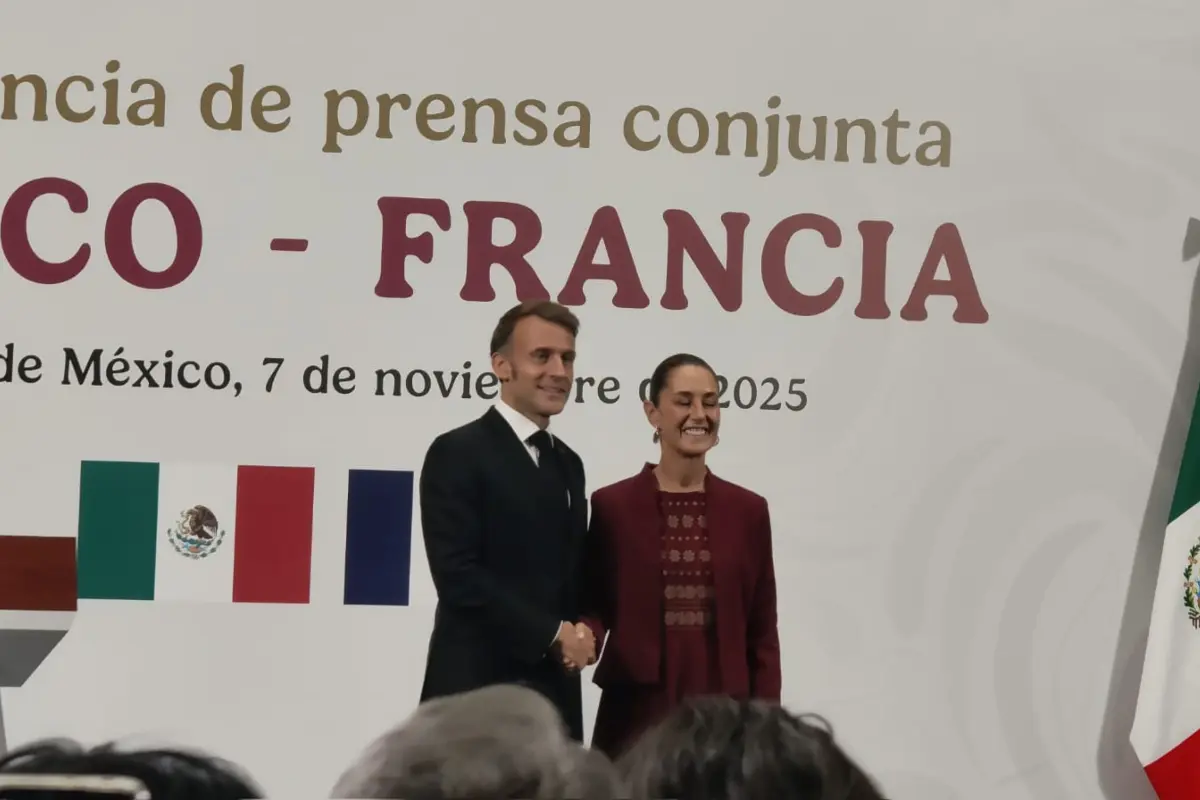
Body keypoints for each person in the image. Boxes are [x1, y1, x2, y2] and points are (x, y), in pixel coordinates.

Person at [576, 352, 782, 757]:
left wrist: (767, 725)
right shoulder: (611, 505)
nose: (700, 413)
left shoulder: (749, 510)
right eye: (684, 401)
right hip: (635, 713)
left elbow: (762, 631)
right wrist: (583, 636)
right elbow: (593, 604)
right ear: (652, 413)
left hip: (726, 717)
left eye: (710, 401)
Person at [417, 300, 594, 742]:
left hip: (553, 699)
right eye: (542, 356)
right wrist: (553, 634)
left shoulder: (569, 463)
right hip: (475, 694)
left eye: (567, 358)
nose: (559, 371)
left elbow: (570, 574)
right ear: (501, 366)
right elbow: (458, 577)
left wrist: (586, 630)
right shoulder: (456, 452)